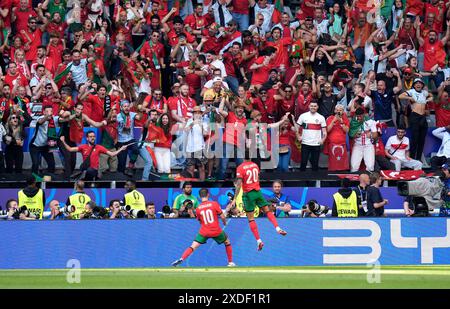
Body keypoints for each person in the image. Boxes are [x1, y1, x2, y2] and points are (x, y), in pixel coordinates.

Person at [234, 154, 287, 251]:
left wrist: (234, 198)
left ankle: (259, 241)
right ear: (250, 156)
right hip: (257, 192)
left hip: (248, 194)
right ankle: (277, 228)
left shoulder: (240, 168)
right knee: (267, 211)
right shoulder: (255, 165)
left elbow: (239, 184)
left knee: (251, 219)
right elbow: (257, 178)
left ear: (242, 157)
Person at [172, 188, 235, 267]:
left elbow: (200, 221)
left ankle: (182, 258)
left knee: (193, 246)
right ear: (208, 194)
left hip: (204, 231)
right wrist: (224, 223)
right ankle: (230, 262)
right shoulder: (214, 204)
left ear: (199, 196)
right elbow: (222, 216)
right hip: (215, 230)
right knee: (227, 242)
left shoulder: (198, 208)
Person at [60, 131, 128, 180]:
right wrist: (63, 141)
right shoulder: (83, 147)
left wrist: (121, 149)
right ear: (87, 138)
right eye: (90, 137)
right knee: (85, 172)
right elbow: (70, 149)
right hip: (86, 171)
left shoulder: (99, 147)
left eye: (94, 136)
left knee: (90, 170)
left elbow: (112, 154)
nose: (92, 138)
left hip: (94, 171)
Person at [296, 101, 327, 171]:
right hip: (305, 143)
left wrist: (323, 139)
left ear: (317, 107)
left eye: (315, 106)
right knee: (303, 163)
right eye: (312, 106)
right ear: (309, 106)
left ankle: (314, 181)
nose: (313, 107)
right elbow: (296, 128)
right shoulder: (303, 116)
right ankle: (302, 180)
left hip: (316, 144)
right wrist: (298, 136)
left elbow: (324, 132)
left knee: (315, 164)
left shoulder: (321, 117)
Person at [349, 108, 377, 172]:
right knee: (354, 166)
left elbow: (375, 135)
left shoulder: (370, 122)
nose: (359, 118)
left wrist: (371, 135)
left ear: (363, 115)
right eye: (357, 116)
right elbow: (350, 135)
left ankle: (368, 181)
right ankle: (354, 182)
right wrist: (355, 135)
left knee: (370, 166)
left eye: (360, 116)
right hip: (358, 145)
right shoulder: (353, 122)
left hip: (368, 145)